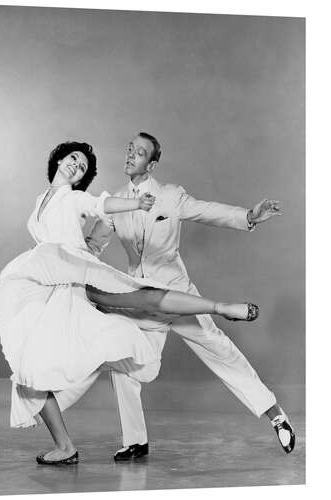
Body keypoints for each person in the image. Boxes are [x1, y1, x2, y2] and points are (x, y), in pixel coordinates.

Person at [0, 141, 259, 465]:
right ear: (59, 159)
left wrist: (134, 205)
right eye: (74, 159)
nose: (77, 165)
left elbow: (100, 205)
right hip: (48, 282)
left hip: (76, 274)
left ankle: (221, 308)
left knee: (139, 294)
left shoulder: (74, 197)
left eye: (83, 166)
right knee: (27, 368)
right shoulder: (39, 202)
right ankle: (65, 446)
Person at [85, 132, 295, 461]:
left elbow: (208, 211)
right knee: (125, 363)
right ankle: (136, 441)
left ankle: (277, 416)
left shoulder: (171, 196)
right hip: (141, 303)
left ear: (151, 164)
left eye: (138, 153)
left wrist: (249, 217)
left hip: (179, 297)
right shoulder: (115, 202)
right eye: (129, 150)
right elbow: (93, 246)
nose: (130, 156)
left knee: (222, 352)